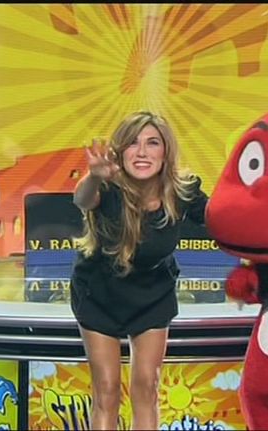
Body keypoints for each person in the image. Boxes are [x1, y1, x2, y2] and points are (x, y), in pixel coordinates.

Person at [70, 111, 208, 430]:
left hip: (152, 294)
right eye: (133, 143)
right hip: (99, 294)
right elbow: (83, 199)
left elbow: (222, 218)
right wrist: (94, 176)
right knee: (106, 390)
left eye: (152, 143)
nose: (142, 152)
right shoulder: (106, 187)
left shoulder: (182, 191)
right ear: (120, 152)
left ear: (166, 151)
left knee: (147, 386)